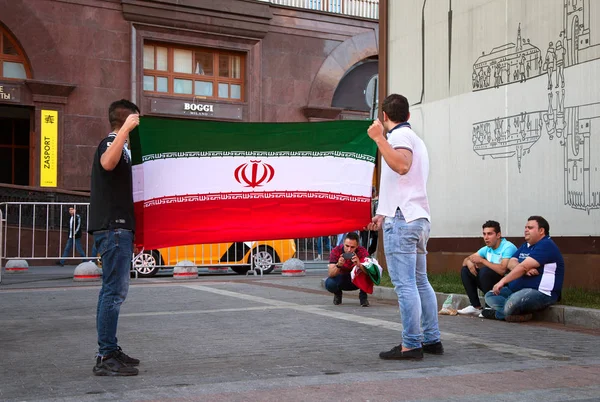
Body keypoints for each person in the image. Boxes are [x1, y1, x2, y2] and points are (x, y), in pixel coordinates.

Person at [366, 94, 442, 360]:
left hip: (404, 220)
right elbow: (402, 183)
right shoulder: (415, 139)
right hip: (416, 218)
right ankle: (432, 339)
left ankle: (412, 344)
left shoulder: (397, 138)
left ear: (384, 117)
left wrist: (379, 138)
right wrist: (382, 213)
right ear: (408, 115)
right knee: (420, 282)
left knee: (406, 284)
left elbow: (401, 166)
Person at [89, 99, 140, 376]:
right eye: (136, 121)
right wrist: (124, 132)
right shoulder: (110, 144)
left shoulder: (122, 147)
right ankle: (106, 355)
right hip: (113, 228)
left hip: (119, 228)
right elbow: (107, 163)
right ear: (127, 120)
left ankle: (109, 348)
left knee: (110, 292)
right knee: (114, 292)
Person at [482, 216, 564, 322]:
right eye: (525, 227)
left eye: (530, 227)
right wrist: (525, 269)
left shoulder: (546, 245)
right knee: (490, 295)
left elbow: (523, 266)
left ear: (541, 231)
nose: (526, 230)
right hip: (517, 291)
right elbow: (511, 262)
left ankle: (500, 314)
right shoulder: (526, 245)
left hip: (541, 293)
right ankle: (510, 312)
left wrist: (503, 281)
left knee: (513, 302)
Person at [457, 220, 517, 316]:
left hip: (506, 285)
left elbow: (502, 270)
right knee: (466, 270)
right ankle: (475, 307)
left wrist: (482, 261)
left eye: (489, 234)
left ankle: (490, 306)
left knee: (485, 272)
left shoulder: (508, 247)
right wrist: (469, 262)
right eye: (484, 234)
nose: (486, 237)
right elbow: (466, 260)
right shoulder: (487, 248)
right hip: (490, 282)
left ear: (498, 235)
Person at [324, 232, 370, 307]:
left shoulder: (362, 251)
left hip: (357, 278)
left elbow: (370, 272)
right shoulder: (336, 251)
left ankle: (363, 297)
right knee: (329, 283)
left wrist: (359, 265)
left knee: (367, 275)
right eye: (347, 246)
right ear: (343, 243)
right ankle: (338, 293)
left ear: (357, 246)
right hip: (342, 278)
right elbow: (331, 273)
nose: (349, 250)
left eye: (352, 247)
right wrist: (338, 265)